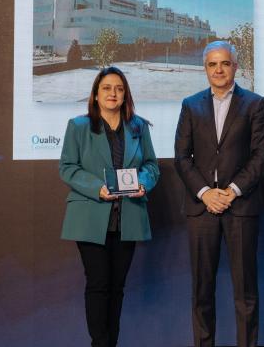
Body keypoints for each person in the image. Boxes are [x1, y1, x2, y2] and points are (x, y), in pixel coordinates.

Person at [174, 41, 264, 347]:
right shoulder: (190, 105)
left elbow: (261, 156)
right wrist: (205, 193)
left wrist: (231, 191)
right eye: (212, 64)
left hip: (240, 207)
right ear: (205, 69)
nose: (218, 69)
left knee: (246, 292)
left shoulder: (254, 104)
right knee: (202, 291)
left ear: (235, 67)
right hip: (202, 209)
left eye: (225, 63)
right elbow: (181, 157)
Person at [59, 66, 160, 347]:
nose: (113, 93)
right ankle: (100, 344)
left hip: (127, 217)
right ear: (95, 94)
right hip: (91, 217)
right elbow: (67, 168)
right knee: (99, 284)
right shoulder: (78, 126)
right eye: (106, 88)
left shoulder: (139, 126)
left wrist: (143, 182)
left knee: (117, 288)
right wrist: (97, 189)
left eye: (118, 88)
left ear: (125, 94)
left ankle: (109, 344)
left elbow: (152, 165)